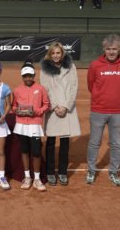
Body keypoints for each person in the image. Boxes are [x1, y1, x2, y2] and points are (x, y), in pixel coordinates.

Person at [40, 42, 81, 186]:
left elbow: (74, 87)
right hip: (53, 110)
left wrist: (66, 106)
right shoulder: (44, 69)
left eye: (58, 53)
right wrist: (56, 106)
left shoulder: (71, 66)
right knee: (50, 142)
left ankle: (62, 172)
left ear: (62, 53)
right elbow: (44, 90)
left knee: (65, 142)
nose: (56, 56)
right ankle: (51, 172)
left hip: (67, 110)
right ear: (49, 54)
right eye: (53, 53)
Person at [85, 34, 120, 186]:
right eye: (109, 49)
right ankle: (91, 170)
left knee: (116, 143)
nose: (111, 52)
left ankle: (113, 171)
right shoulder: (95, 65)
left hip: (118, 111)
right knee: (94, 142)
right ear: (104, 49)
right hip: (98, 110)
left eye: (115, 49)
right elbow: (90, 85)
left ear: (119, 50)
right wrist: (101, 98)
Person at [12, 60, 50, 192]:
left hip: (35, 124)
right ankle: (27, 177)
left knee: (36, 152)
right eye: (25, 76)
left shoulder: (40, 88)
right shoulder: (17, 90)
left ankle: (37, 178)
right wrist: (15, 110)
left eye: (30, 76)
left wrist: (37, 112)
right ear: (22, 77)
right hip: (21, 124)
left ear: (34, 75)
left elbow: (46, 105)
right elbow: (14, 105)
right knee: (24, 150)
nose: (27, 78)